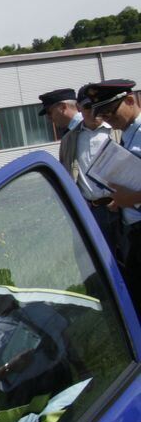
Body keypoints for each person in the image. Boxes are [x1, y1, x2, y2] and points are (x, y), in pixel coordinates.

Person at [82, 78, 141, 310]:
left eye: (110, 113)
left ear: (129, 100)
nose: (108, 120)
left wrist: (132, 198)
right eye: (103, 116)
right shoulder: (129, 134)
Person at [57, 86, 122, 250]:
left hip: (124, 208)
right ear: (79, 108)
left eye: (98, 105)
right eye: (87, 107)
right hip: (94, 213)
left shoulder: (118, 131)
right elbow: (67, 176)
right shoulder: (69, 140)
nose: (94, 111)